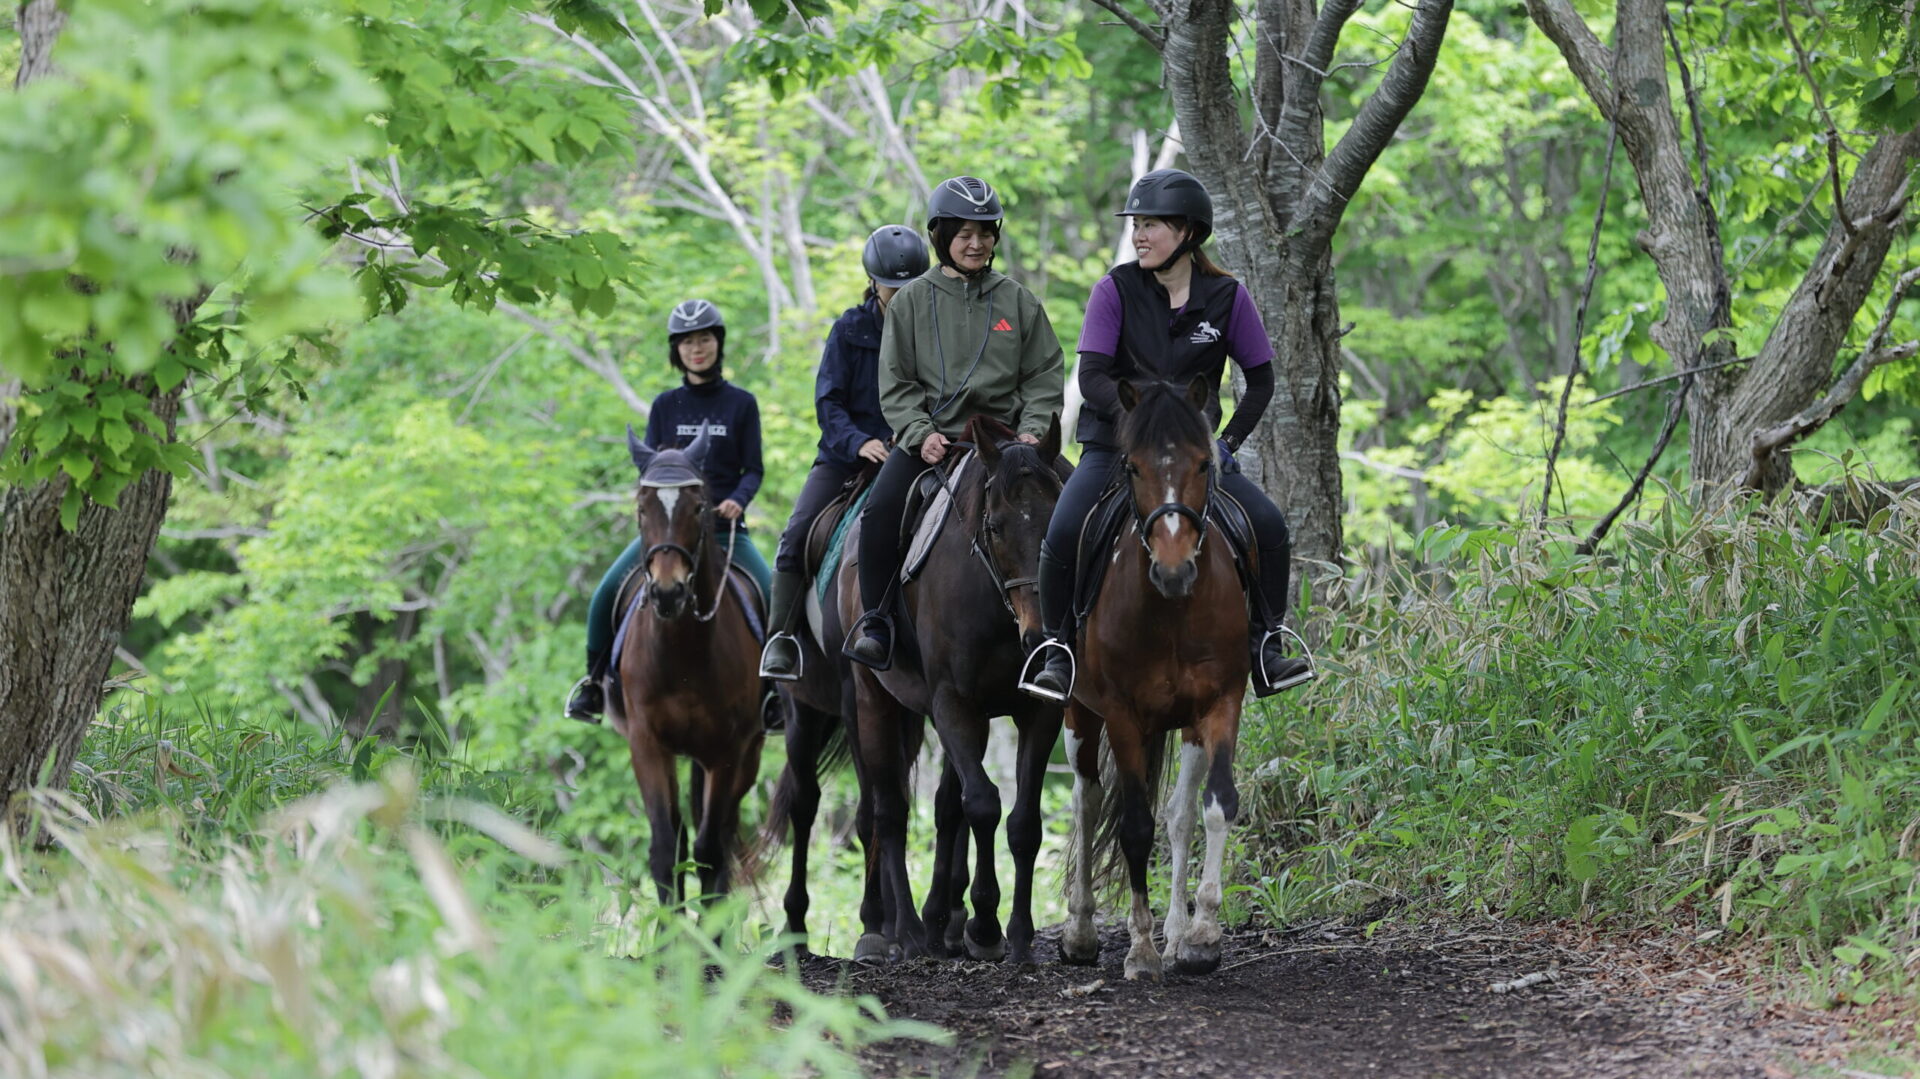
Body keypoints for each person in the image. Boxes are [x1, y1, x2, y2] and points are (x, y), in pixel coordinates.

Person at [1018, 168, 1314, 702]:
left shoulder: (1227, 297)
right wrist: (1140, 423)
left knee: (1269, 525)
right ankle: (1058, 650)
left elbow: (1261, 381)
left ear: (1187, 232)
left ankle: (1266, 644)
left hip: (1193, 457)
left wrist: (1226, 444)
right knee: (1062, 533)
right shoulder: (1114, 289)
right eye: (1136, 225)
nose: (1138, 236)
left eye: (1150, 225)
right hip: (1116, 448)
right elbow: (1092, 376)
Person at [842, 176, 1065, 670]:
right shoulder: (910, 302)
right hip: (936, 439)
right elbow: (896, 382)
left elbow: (1044, 373)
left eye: (984, 233)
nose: (976, 243)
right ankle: (877, 622)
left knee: (1075, 504)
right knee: (879, 512)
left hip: (1010, 442)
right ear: (941, 237)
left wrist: (1032, 429)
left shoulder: (1019, 301)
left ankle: (1076, 626)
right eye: (964, 233)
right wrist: (920, 434)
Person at [564, 299, 774, 721]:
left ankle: (774, 693)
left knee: (772, 593)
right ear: (676, 349)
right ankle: (592, 685)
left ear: (718, 343)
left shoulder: (742, 403)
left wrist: (738, 499)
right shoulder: (664, 405)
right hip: (669, 534)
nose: (697, 348)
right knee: (605, 592)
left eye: (705, 339)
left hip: (724, 530)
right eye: (687, 342)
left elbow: (753, 468)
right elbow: (651, 472)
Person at [759, 226, 930, 680]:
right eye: (892, 287)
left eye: (910, 288)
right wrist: (859, 442)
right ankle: (781, 637)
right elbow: (828, 402)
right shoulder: (849, 329)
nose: (900, 296)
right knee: (796, 534)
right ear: (873, 282)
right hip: (848, 456)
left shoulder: (935, 331)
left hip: (915, 451)